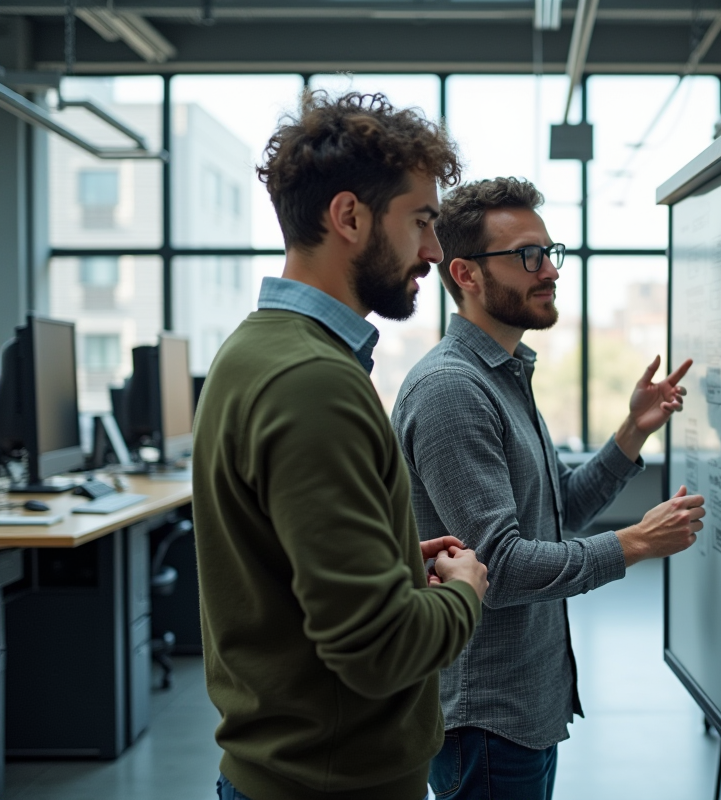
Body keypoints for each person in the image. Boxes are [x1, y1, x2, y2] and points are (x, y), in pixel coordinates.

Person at [192, 91, 489, 800]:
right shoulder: (312, 383)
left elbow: (289, 571)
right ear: (349, 216)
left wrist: (385, 560)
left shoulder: (255, 349)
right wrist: (467, 595)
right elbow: (377, 650)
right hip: (330, 785)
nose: (433, 250)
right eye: (421, 220)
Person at [391, 176, 704, 799]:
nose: (551, 271)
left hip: (524, 708)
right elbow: (498, 568)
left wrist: (630, 434)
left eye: (549, 252)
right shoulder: (453, 390)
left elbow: (558, 510)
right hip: (484, 718)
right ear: (467, 274)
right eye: (527, 257)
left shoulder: (504, 374)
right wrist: (635, 544)